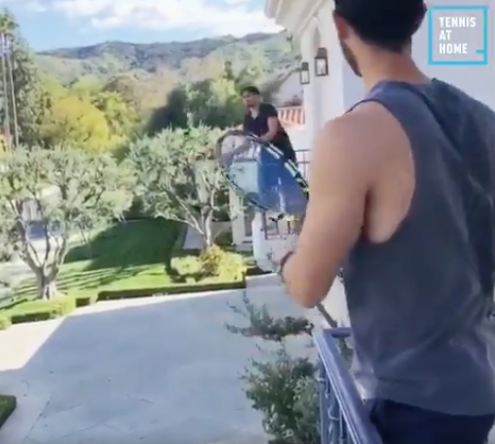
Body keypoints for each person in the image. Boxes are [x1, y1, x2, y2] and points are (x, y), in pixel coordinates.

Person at [273, 1, 495, 444]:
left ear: (340, 25)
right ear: (419, 17)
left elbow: (307, 287)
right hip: (479, 386)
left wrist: (285, 260)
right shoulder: (483, 119)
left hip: (413, 405)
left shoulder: (352, 134)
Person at [240, 86, 303, 215]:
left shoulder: (267, 109)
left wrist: (259, 140)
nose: (247, 98)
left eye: (250, 95)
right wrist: (233, 153)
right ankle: (275, 214)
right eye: (244, 96)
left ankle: (298, 214)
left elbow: (272, 132)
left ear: (258, 97)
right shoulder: (247, 119)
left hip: (282, 151)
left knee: (289, 185)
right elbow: (247, 141)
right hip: (266, 154)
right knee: (267, 187)